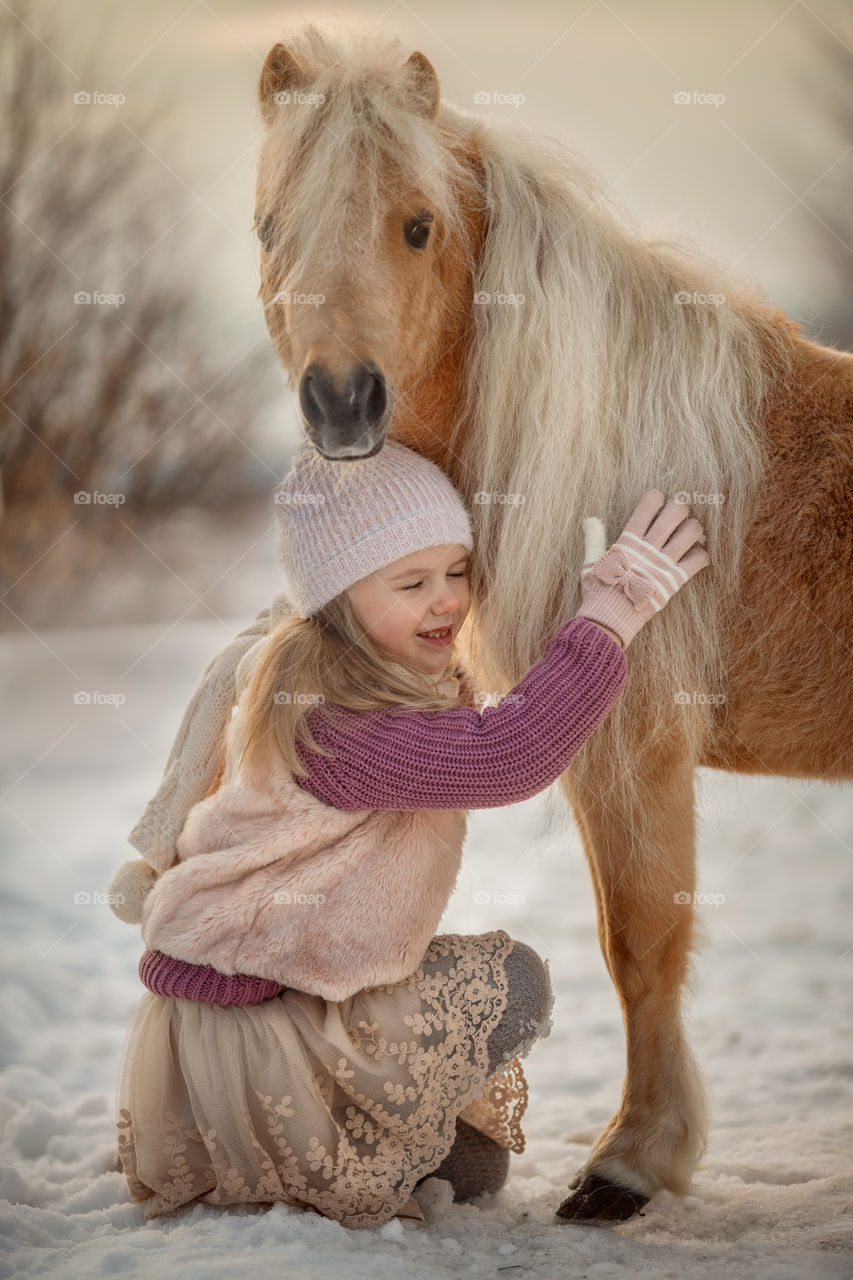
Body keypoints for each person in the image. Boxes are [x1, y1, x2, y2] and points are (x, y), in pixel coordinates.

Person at [108, 439, 709, 1230]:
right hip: (254, 1028)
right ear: (338, 597)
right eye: (412, 582)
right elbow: (507, 754)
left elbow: (493, 718)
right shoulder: (329, 715)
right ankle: (265, 1141)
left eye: (456, 572)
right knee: (515, 983)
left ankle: (318, 1135)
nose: (446, 602)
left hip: (295, 992)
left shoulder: (346, 660)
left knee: (476, 1169)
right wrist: (611, 612)